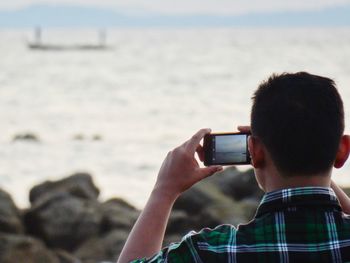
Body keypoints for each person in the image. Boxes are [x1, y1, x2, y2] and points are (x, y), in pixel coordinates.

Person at [118, 72, 350, 263]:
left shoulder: (210, 251)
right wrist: (315, 151)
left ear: (255, 151)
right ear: (343, 150)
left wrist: (164, 191)